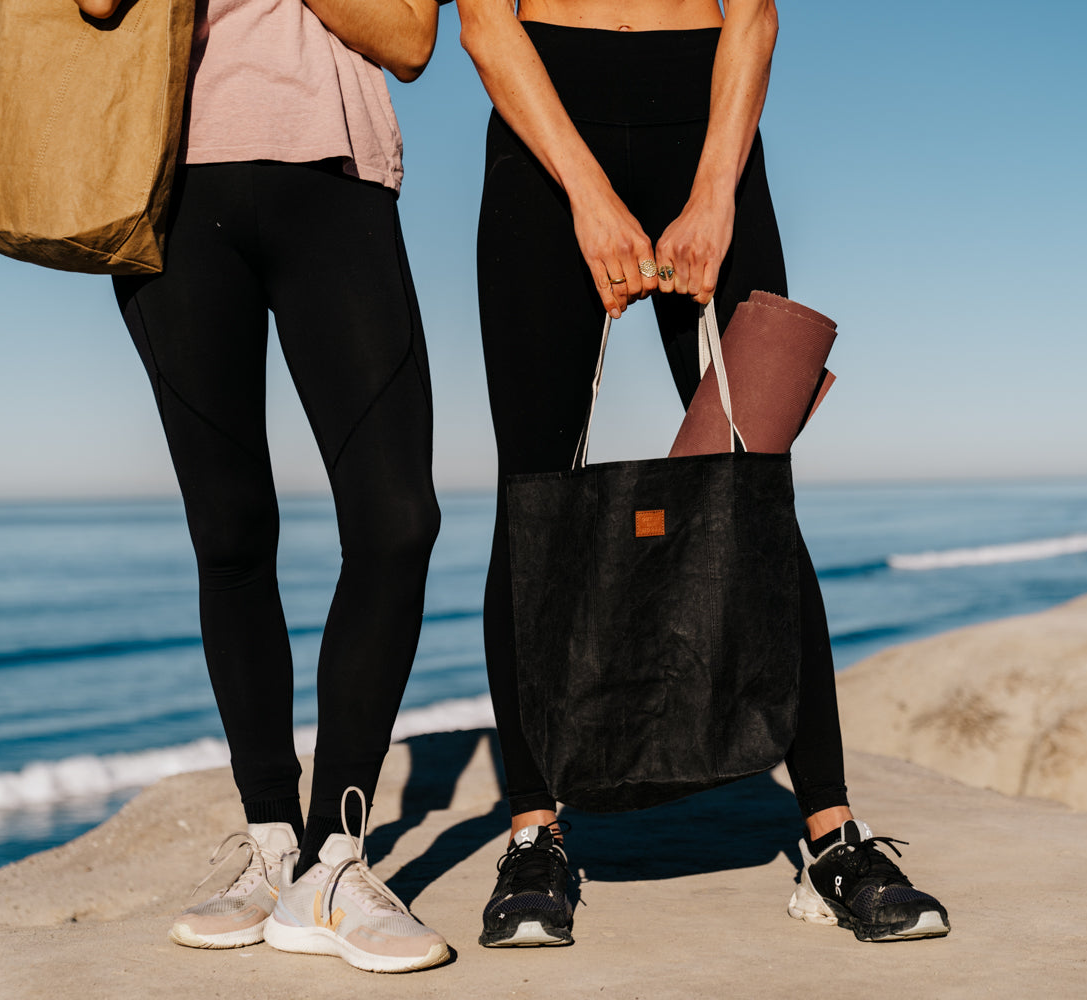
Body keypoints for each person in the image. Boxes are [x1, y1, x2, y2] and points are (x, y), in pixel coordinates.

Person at [458, 0, 952, 946]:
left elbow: (754, 13)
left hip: (709, 117)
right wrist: (588, 194)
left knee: (755, 488)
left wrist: (715, 190)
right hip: (544, 125)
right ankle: (534, 833)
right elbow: (483, 19)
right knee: (534, 496)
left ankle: (832, 837)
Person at [74, 0, 453, 974]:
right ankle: (273, 837)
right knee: (231, 530)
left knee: (399, 519)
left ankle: (334, 860)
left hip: (337, 182)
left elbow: (411, 39)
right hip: (173, 185)